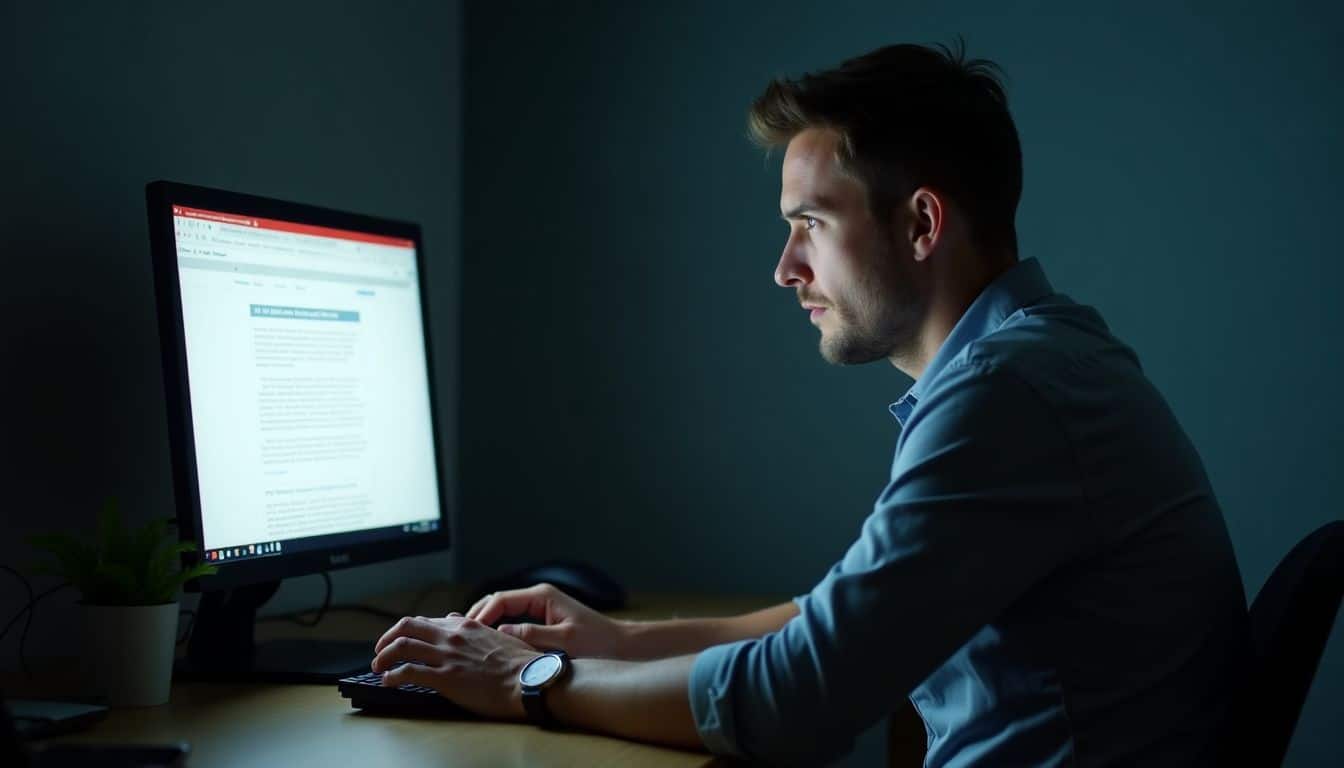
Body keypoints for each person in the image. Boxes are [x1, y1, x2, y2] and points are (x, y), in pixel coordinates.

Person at [370, 40, 1250, 766]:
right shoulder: (1042, 358)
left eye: (811, 225)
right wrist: (612, 643)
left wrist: (525, 685)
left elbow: (797, 699)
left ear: (920, 225)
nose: (786, 268)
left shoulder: (1005, 394)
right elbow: (836, 617)